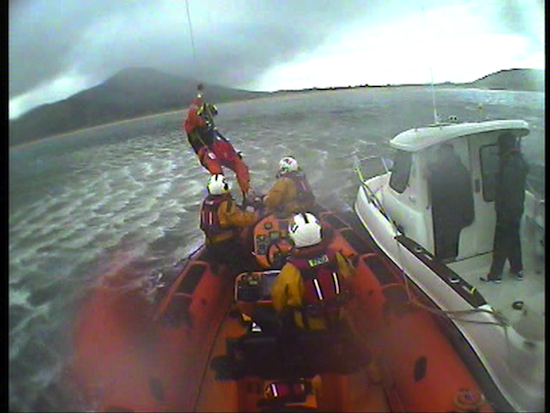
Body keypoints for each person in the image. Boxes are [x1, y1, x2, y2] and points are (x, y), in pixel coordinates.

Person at [270, 212, 354, 330]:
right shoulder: (336, 257)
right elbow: (348, 277)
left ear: (293, 240)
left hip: (307, 325)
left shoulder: (291, 271)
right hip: (337, 317)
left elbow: (279, 302)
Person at [184, 84, 251, 197]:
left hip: (216, 149)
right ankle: (224, 204)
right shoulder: (191, 123)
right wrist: (199, 97)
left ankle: (247, 194)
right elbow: (192, 114)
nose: (210, 117)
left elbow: (223, 141)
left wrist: (234, 155)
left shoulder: (210, 127)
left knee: (240, 166)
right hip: (206, 153)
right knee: (218, 177)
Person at [481, 133, 529, 283]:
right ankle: (517, 269)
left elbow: (506, 188)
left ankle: (495, 275)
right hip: (517, 207)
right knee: (514, 238)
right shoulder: (521, 159)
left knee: (501, 241)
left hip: (507, 210)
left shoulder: (508, 162)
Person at [426, 143, 474, 262]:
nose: (439, 157)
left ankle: (448, 261)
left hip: (454, 211)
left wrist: (430, 178)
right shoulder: (455, 166)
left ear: (447, 155)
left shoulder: (456, 171)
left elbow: (445, 187)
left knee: (448, 238)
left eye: (441, 155)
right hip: (451, 210)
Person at [200, 174, 257, 274]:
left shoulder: (207, 203)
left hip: (210, 245)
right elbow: (241, 220)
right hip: (227, 245)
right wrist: (253, 213)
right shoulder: (226, 205)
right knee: (246, 264)